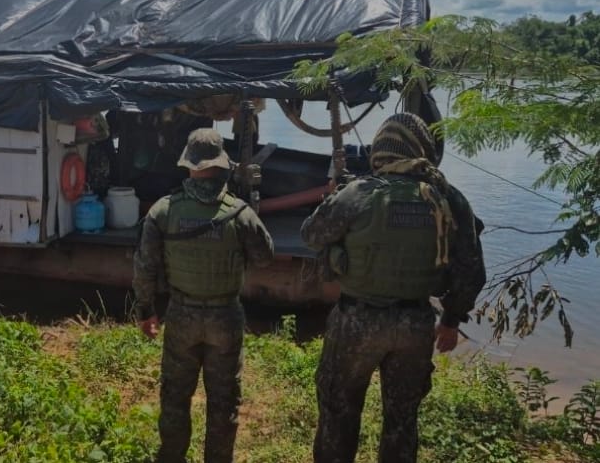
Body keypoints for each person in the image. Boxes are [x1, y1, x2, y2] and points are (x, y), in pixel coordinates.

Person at [301, 112, 486, 463]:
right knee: (402, 421)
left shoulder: (357, 193)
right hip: (416, 324)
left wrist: (331, 200)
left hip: (356, 322)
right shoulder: (450, 198)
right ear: (422, 149)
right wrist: (451, 321)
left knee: (338, 413)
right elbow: (471, 269)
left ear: (380, 150)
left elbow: (311, 236)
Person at [133, 127, 275, 463]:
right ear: (221, 165)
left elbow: (145, 268)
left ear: (190, 165)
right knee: (224, 401)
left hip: (181, 316)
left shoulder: (163, 211)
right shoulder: (240, 213)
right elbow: (265, 258)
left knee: (175, 397)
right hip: (225, 317)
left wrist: (145, 311)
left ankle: (171, 457)